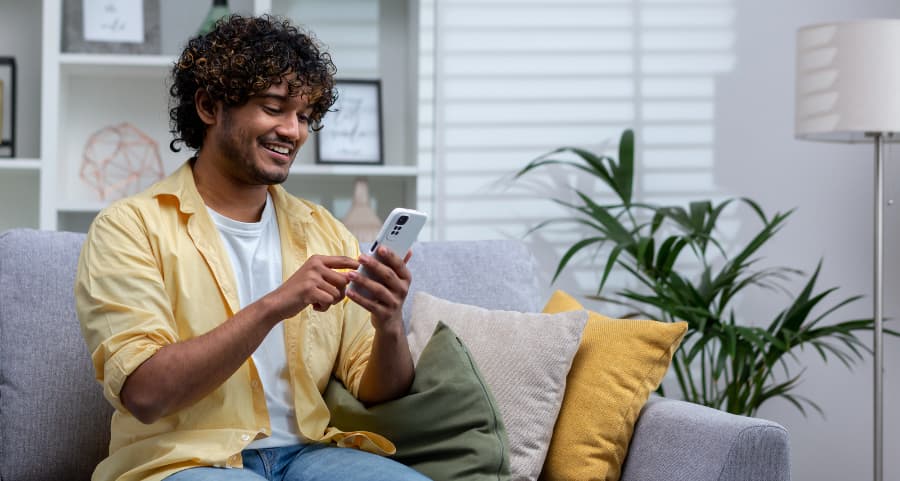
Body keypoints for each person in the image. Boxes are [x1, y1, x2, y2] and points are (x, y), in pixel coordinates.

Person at [75, 14, 429, 481]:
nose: (293, 131)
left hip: (312, 454)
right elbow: (146, 393)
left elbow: (376, 391)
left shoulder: (325, 232)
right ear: (208, 106)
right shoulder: (129, 229)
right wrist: (275, 305)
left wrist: (388, 324)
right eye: (273, 107)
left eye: (304, 116)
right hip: (187, 461)